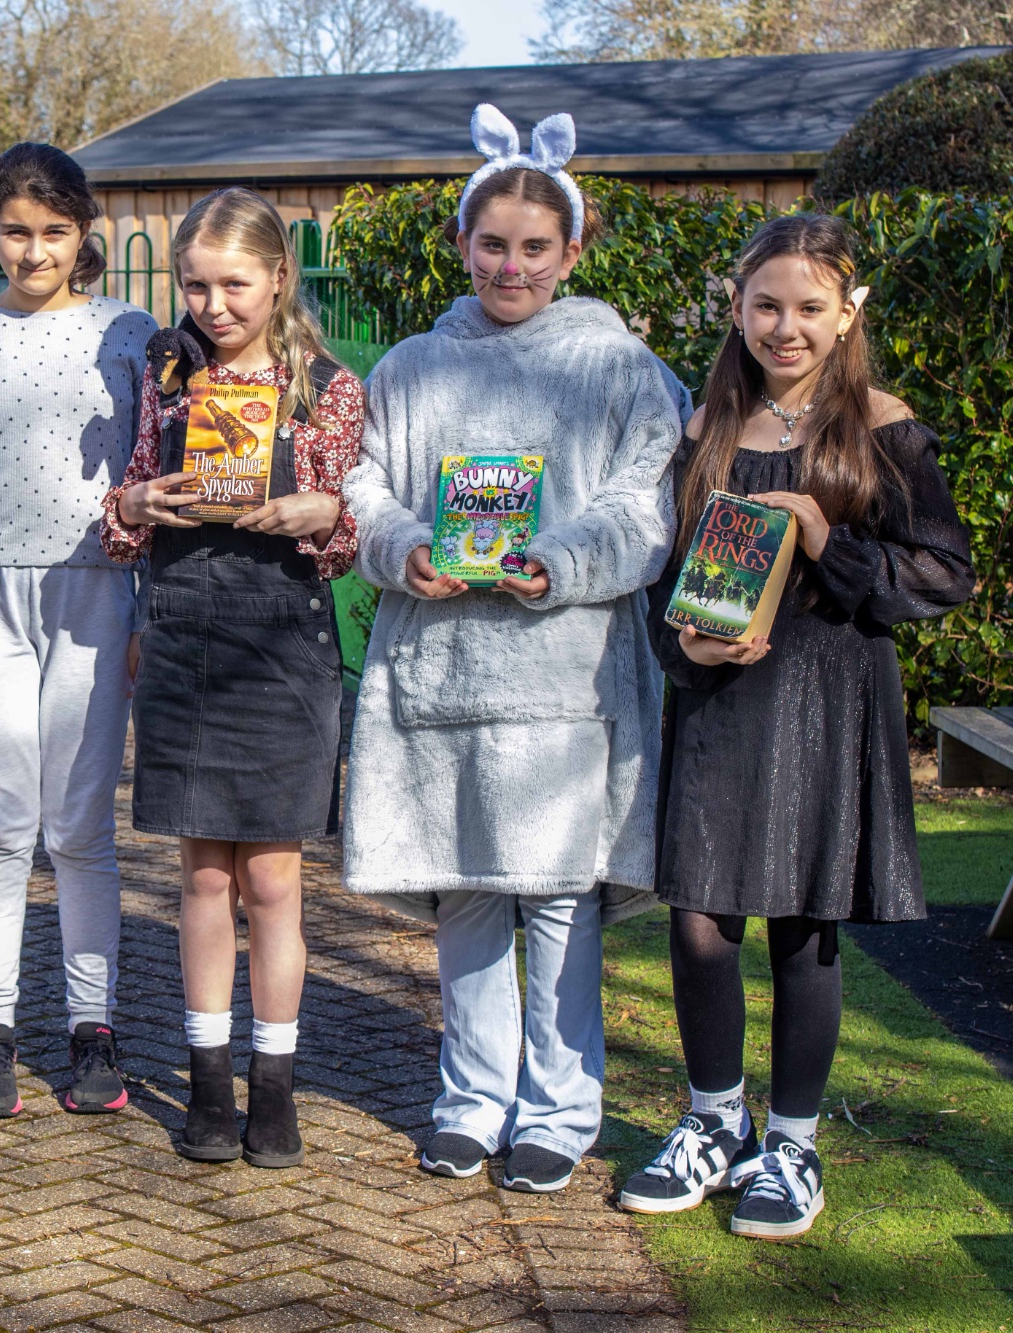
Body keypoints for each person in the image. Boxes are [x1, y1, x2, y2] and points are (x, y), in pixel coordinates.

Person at [341, 105, 685, 1194]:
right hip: (442, 671)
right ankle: (469, 1098)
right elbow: (363, 487)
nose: (511, 264)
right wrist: (400, 548)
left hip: (566, 679)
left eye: (535, 246)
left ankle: (558, 1107)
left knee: (553, 897)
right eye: (492, 243)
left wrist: (562, 562)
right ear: (461, 245)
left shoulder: (621, 367)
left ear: (571, 251)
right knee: (468, 894)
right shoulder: (406, 368)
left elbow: (646, 504)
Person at [618, 214, 973, 1240]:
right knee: (696, 923)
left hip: (828, 700)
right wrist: (682, 648)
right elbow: (665, 584)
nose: (784, 327)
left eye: (808, 307)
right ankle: (709, 1123)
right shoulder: (705, 429)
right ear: (735, 307)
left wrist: (829, 542)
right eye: (765, 305)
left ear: (844, 313)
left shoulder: (881, 425)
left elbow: (941, 573)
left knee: (803, 931)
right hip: (720, 703)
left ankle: (792, 1145)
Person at [100, 187, 364, 1167]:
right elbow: (120, 518)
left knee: (273, 880)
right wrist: (134, 500)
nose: (212, 306)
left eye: (233, 285)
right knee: (201, 877)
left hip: (282, 648)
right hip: (182, 634)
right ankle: (207, 1083)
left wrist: (322, 518)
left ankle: (274, 1087)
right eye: (194, 285)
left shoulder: (327, 385)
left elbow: (348, 536)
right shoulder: (162, 373)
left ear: (278, 278)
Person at [0, 143, 158, 1118]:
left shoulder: (128, 335)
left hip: (96, 593)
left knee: (81, 824)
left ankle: (92, 1028)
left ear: (83, 233)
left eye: (53, 231)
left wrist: (147, 615)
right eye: (15, 230)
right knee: (2, 820)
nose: (33, 249)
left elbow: (154, 483)